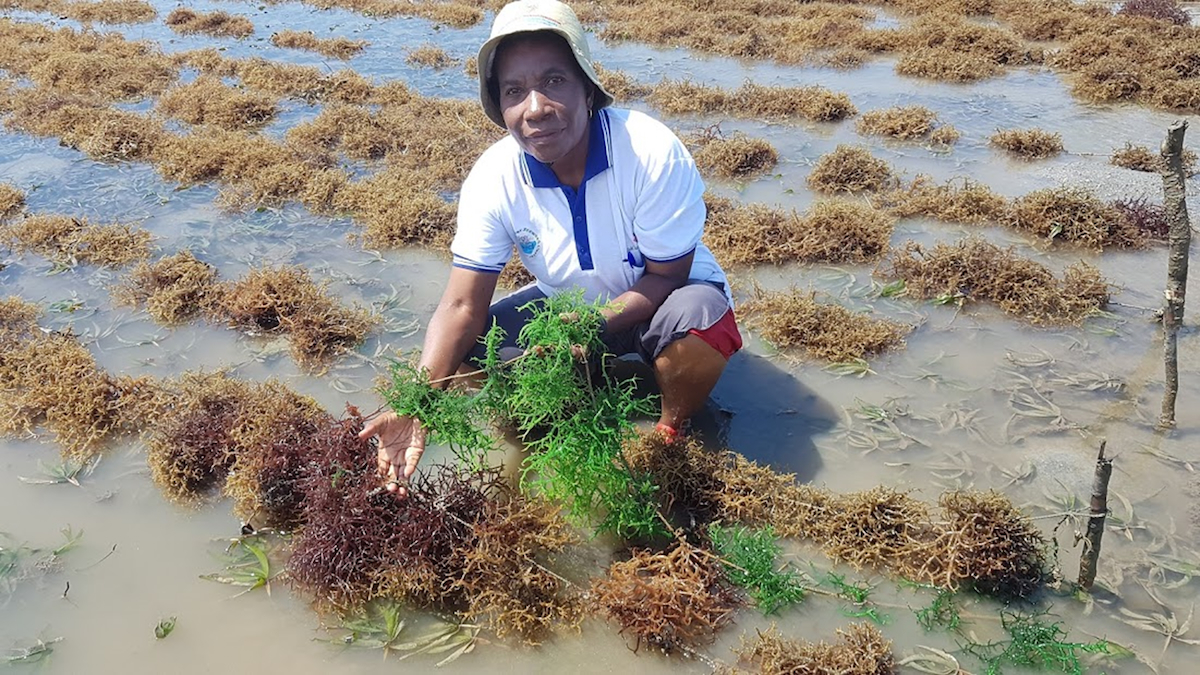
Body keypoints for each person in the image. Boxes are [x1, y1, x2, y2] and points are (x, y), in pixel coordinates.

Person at [361, 0, 742, 497]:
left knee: (700, 319)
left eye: (554, 81)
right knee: (474, 354)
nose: (536, 108)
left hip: (661, 299)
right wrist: (417, 400)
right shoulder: (494, 179)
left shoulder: (648, 151)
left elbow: (667, 276)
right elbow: (460, 306)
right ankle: (572, 407)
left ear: (587, 88)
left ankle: (670, 428)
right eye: (514, 91)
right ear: (499, 106)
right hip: (565, 311)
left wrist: (592, 325)